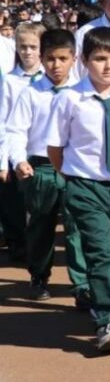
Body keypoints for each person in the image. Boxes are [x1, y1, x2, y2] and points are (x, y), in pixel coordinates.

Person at [47, 26, 110, 352]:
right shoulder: (69, 100)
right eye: (100, 59)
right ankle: (108, 322)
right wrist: (73, 177)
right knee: (101, 251)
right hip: (84, 185)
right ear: (84, 61)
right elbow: (55, 148)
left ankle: (101, 296)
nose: (108, 66)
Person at [6, 28, 88, 305]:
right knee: (41, 226)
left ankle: (81, 284)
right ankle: (39, 275)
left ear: (73, 59)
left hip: (73, 168)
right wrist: (19, 160)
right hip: (40, 168)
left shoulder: (81, 94)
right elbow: (16, 130)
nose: (56, 65)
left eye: (62, 59)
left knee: (76, 227)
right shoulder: (31, 94)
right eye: (50, 59)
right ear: (41, 60)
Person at [0, 21, 46, 262]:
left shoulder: (49, 80)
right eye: (22, 46)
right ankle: (17, 242)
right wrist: (3, 161)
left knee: (39, 204)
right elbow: (3, 120)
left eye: (33, 46)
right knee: (13, 201)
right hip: (13, 149)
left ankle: (36, 245)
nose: (27, 51)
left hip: (41, 150)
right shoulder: (9, 81)